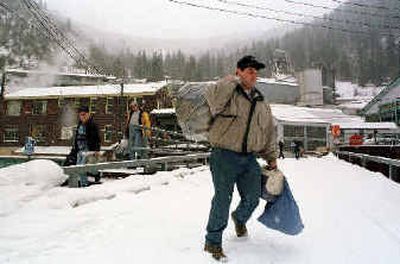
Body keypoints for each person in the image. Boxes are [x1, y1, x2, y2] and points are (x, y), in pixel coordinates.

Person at [203, 55, 277, 261]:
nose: (254, 75)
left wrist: (271, 157)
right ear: (239, 71)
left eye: (256, 71)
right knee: (222, 200)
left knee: (253, 197)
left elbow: (268, 131)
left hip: (248, 158)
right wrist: (231, 80)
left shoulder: (261, 102)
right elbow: (214, 100)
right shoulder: (227, 91)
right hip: (224, 155)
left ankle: (240, 218)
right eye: (250, 70)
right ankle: (213, 242)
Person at [72, 105, 101, 186]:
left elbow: (97, 138)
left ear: (88, 114)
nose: (82, 116)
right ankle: (95, 174)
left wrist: (97, 150)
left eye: (84, 114)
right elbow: (76, 137)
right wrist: (75, 148)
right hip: (80, 150)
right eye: (81, 115)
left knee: (82, 169)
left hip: (88, 149)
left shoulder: (92, 124)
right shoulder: (80, 124)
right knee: (78, 169)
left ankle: (84, 185)